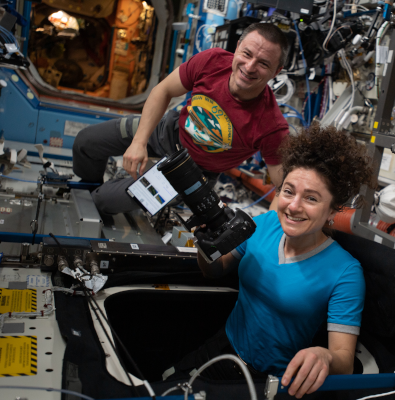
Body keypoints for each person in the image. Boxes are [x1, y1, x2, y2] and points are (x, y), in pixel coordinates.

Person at [167, 124, 374, 398]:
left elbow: (344, 361)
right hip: (221, 347)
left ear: (333, 209)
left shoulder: (345, 272)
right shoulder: (263, 225)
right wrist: (207, 248)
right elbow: (214, 271)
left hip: (270, 381)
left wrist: (324, 357)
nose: (293, 206)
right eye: (288, 192)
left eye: (311, 198)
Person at [72, 23, 290, 214]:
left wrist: (267, 232)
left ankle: (101, 195)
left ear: (276, 71)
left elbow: (283, 187)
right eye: (247, 54)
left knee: (102, 201)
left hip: (192, 173)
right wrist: (139, 142)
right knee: (85, 142)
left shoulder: (272, 126)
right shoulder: (212, 61)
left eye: (263, 64)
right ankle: (90, 185)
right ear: (237, 47)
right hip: (166, 131)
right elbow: (163, 90)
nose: (249, 67)